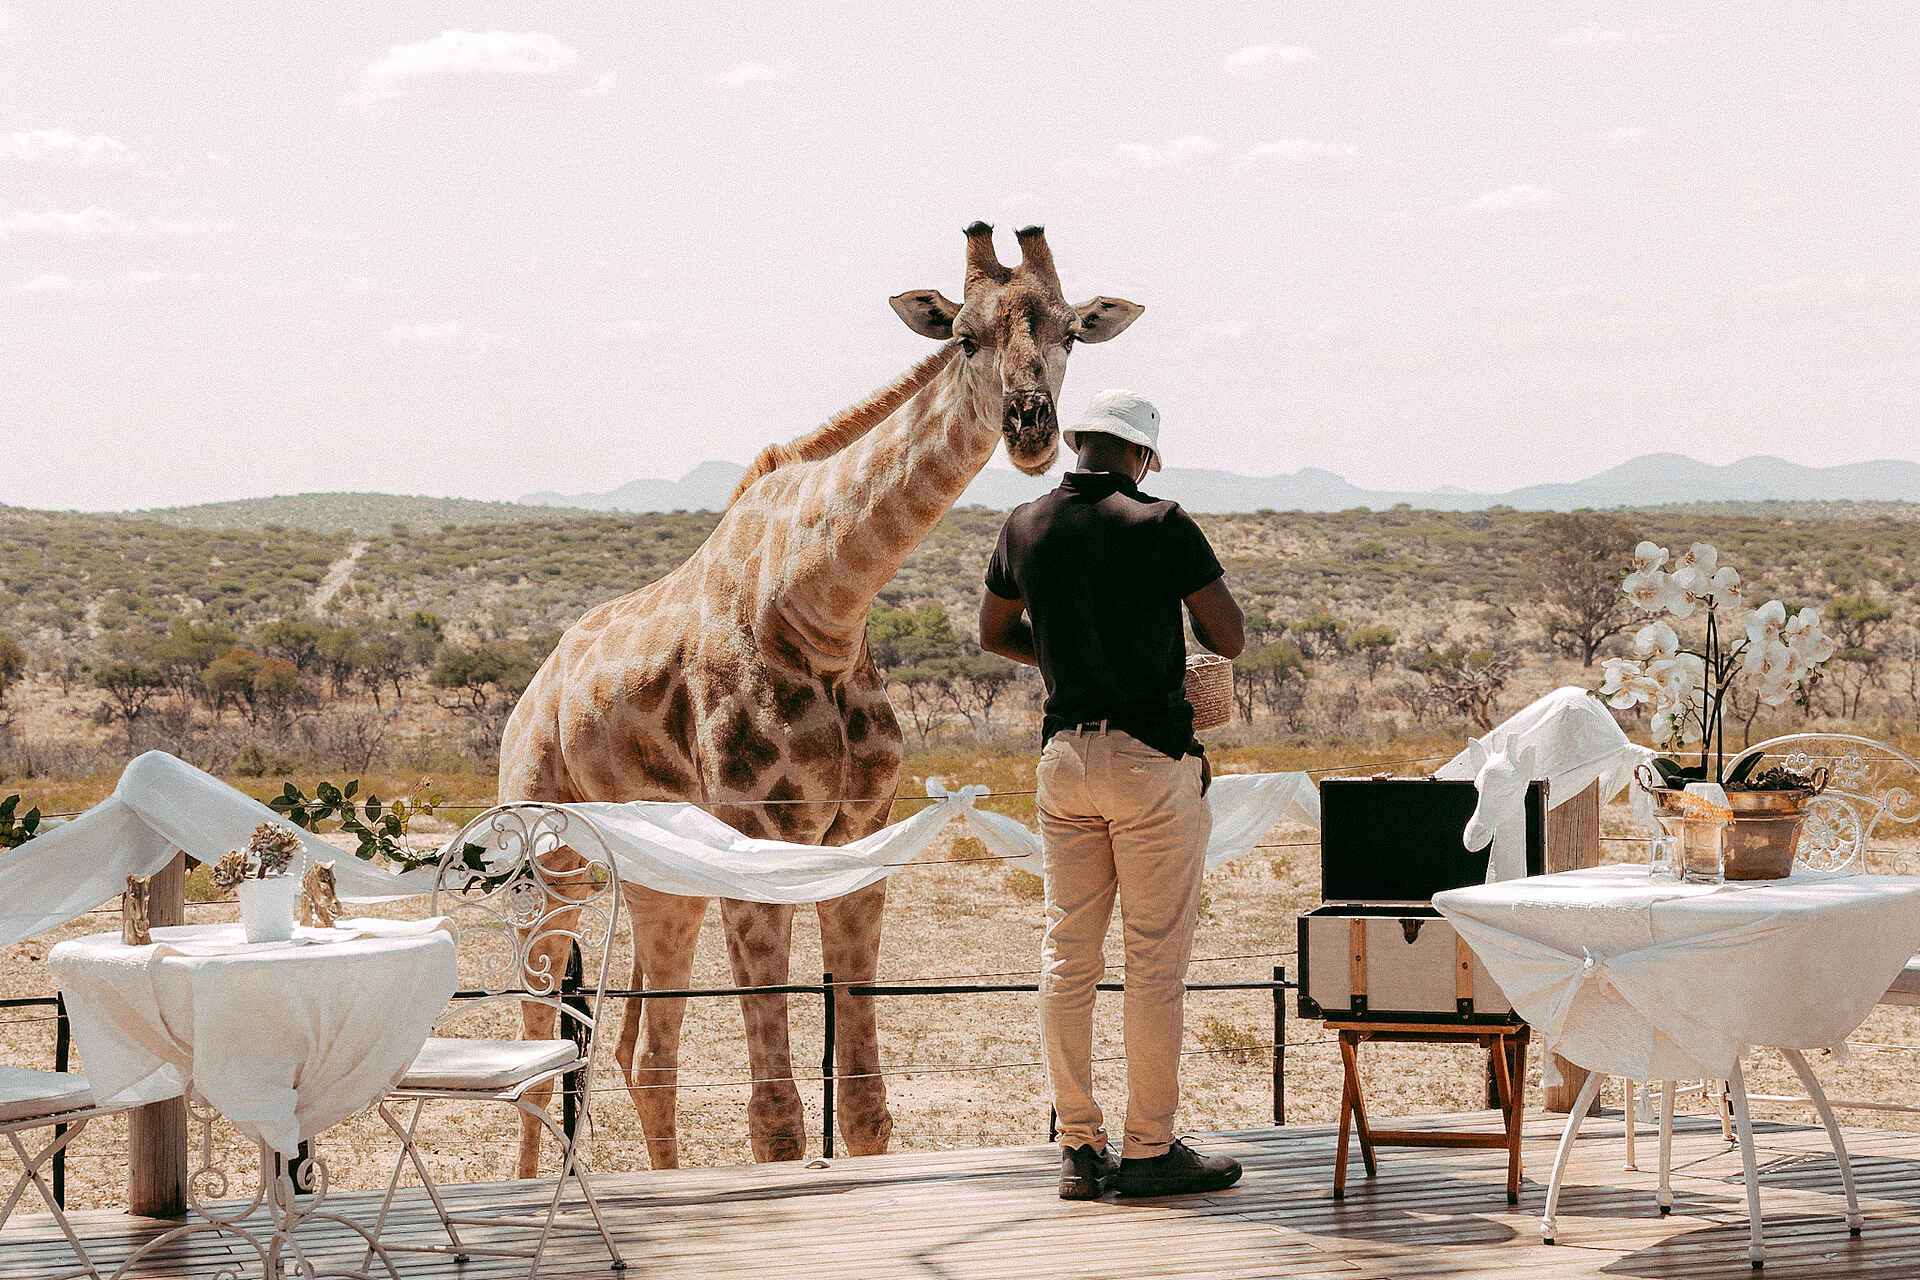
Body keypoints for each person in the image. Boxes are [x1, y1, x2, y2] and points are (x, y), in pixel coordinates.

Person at [979, 389, 1247, 1200]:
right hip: (1150, 759)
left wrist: (1062, 659)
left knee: (1068, 957)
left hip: (1064, 757)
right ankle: (1148, 1149)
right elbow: (1226, 637)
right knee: (1154, 964)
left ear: (1078, 441)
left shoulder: (1023, 525)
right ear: (1139, 457)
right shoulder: (1160, 522)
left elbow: (994, 633)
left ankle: (1078, 1147)